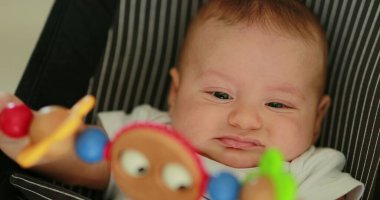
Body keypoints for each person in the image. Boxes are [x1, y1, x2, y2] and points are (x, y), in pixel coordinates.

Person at [0, 0, 364, 199]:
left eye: (277, 104)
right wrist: (37, 136)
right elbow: (89, 166)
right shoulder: (150, 133)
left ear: (318, 118)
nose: (244, 119)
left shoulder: (305, 172)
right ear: (175, 93)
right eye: (220, 94)